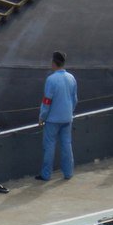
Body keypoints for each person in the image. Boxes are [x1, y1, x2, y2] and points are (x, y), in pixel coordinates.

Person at [36, 51, 78, 181]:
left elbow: (47, 101)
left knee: (49, 146)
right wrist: (70, 112)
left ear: (54, 63)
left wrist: (42, 116)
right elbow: (75, 99)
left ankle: (46, 174)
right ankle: (68, 173)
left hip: (53, 119)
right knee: (66, 145)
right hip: (67, 118)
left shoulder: (51, 79)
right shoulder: (71, 78)